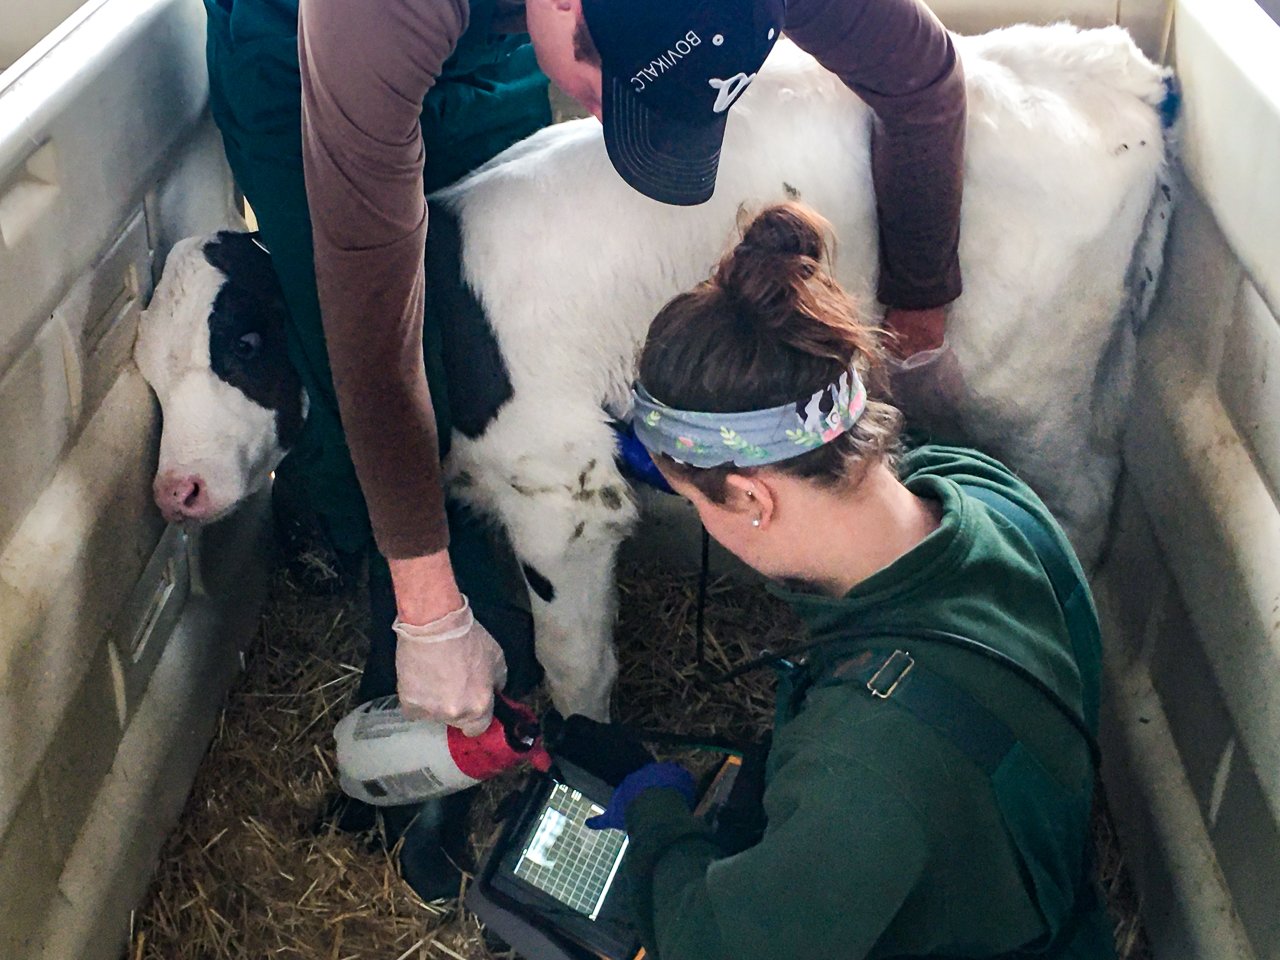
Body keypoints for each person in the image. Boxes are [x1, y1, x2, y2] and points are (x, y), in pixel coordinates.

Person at [204, 0, 965, 899]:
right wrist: (428, 610)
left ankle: (518, 678)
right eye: (614, 92)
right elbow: (372, 326)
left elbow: (924, 76)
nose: (609, 119)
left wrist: (922, 284)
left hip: (494, 39)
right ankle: (419, 677)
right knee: (353, 348)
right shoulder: (373, 16)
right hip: (299, 54)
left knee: (479, 324)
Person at [573, 202, 1114, 959]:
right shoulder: (981, 490)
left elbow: (713, 945)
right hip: (1036, 884)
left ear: (753, 497)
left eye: (696, 501)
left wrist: (658, 813)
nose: (701, 517)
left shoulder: (862, 760)